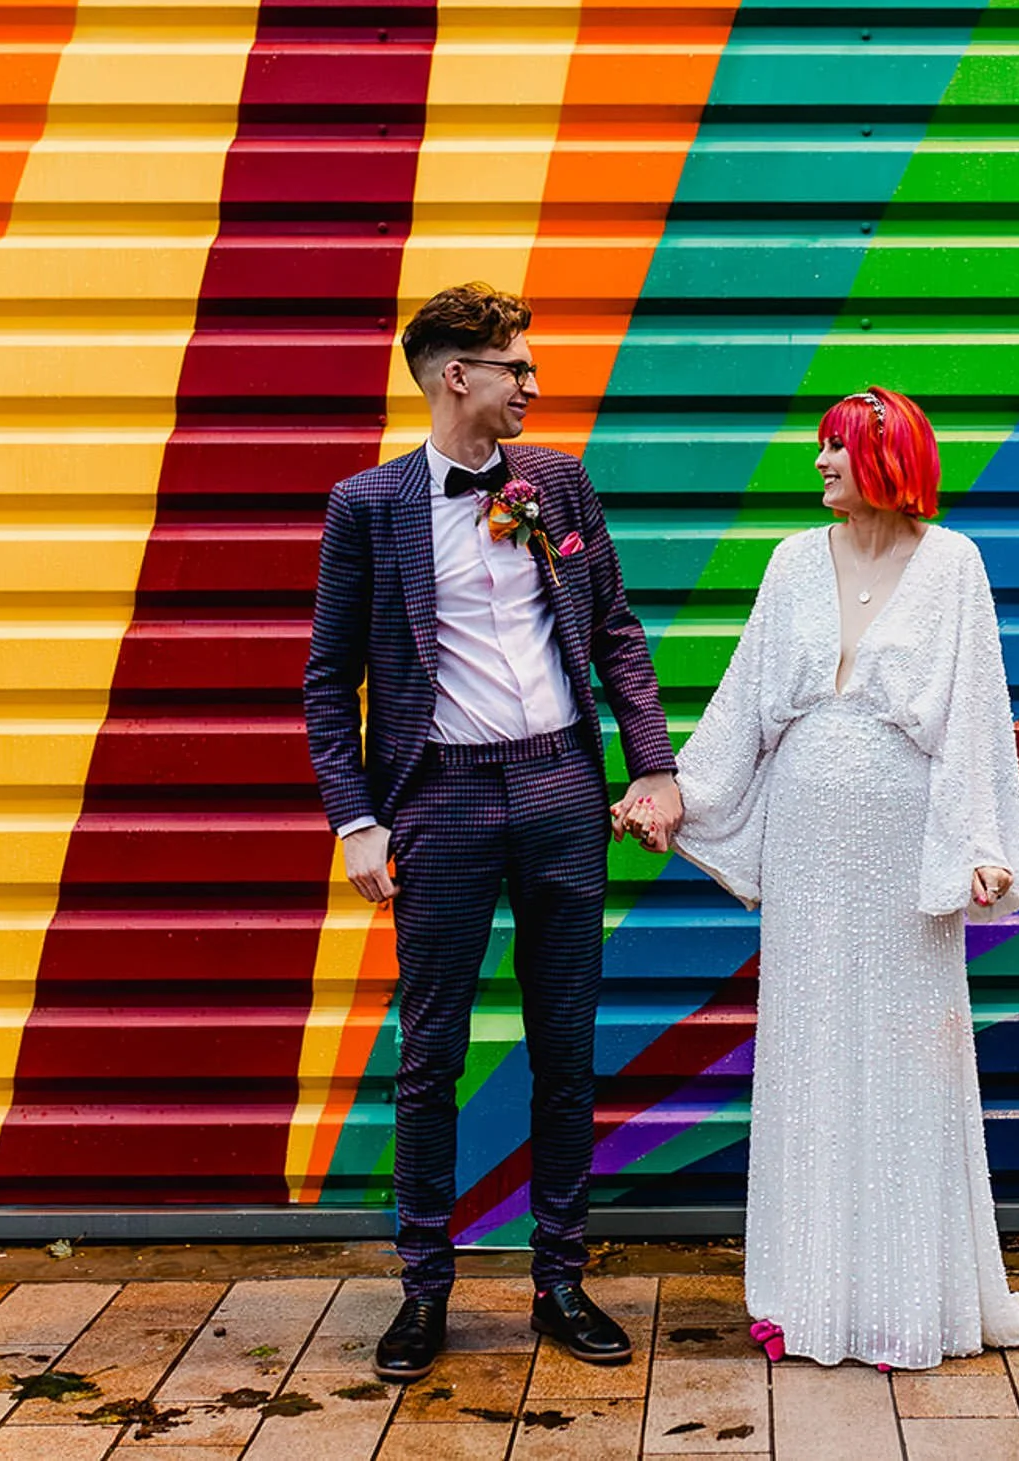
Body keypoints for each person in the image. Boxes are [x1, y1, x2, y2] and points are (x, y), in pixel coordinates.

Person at [644, 386, 1019, 1371]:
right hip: (806, 846)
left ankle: (903, 1300)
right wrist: (678, 797)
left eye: (833, 448)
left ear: (884, 456)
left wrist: (978, 844)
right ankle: (807, 1295)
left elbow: (974, 714)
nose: (818, 465)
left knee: (905, 1058)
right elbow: (745, 698)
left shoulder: (953, 563)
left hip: (900, 845)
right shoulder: (791, 560)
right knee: (809, 1052)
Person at [302, 281, 684, 1381]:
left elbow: (613, 630)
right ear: (456, 375)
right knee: (430, 1055)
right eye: (517, 366)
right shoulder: (366, 506)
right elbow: (330, 681)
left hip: (563, 786)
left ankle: (559, 1276)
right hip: (441, 800)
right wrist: (358, 818)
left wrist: (651, 763)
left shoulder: (556, 480)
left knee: (565, 1047)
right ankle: (424, 1289)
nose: (535, 382)